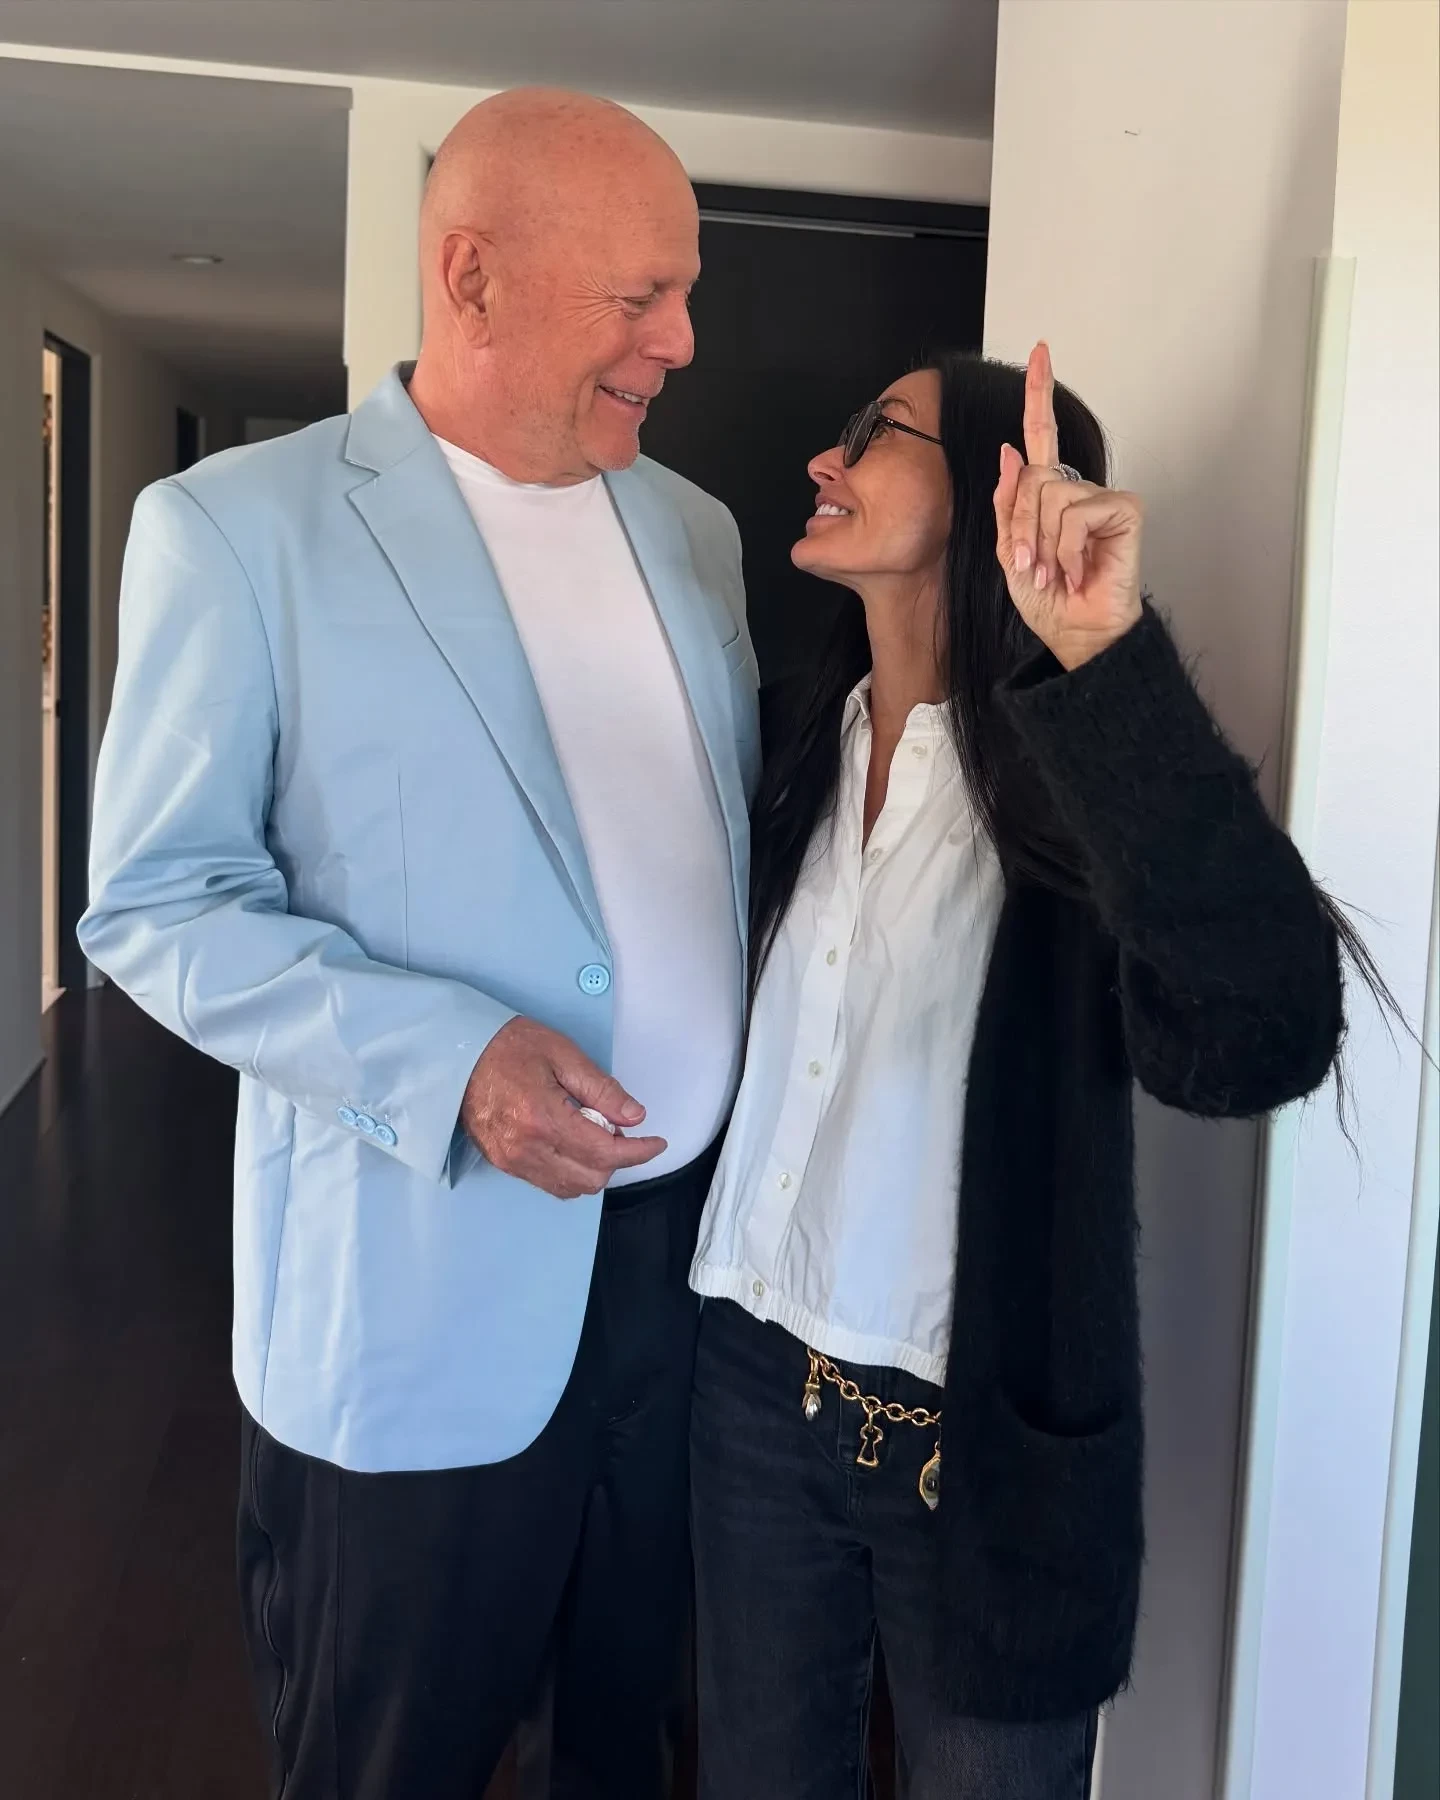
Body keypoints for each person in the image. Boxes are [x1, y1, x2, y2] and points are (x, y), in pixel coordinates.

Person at [79, 89, 759, 1800]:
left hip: (680, 1284)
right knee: (390, 1761)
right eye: (640, 298)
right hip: (416, 1285)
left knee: (632, 1745)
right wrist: (450, 1063)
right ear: (473, 277)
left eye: (683, 293)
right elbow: (156, 903)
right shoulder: (241, 528)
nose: (681, 341)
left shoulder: (696, 532)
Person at [688, 344, 1361, 1799]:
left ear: (994, 486)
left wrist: (1108, 660)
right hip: (748, 1386)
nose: (825, 459)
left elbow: (1265, 1032)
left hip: (978, 1445)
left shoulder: (1069, 799)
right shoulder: (789, 743)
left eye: (877, 432)